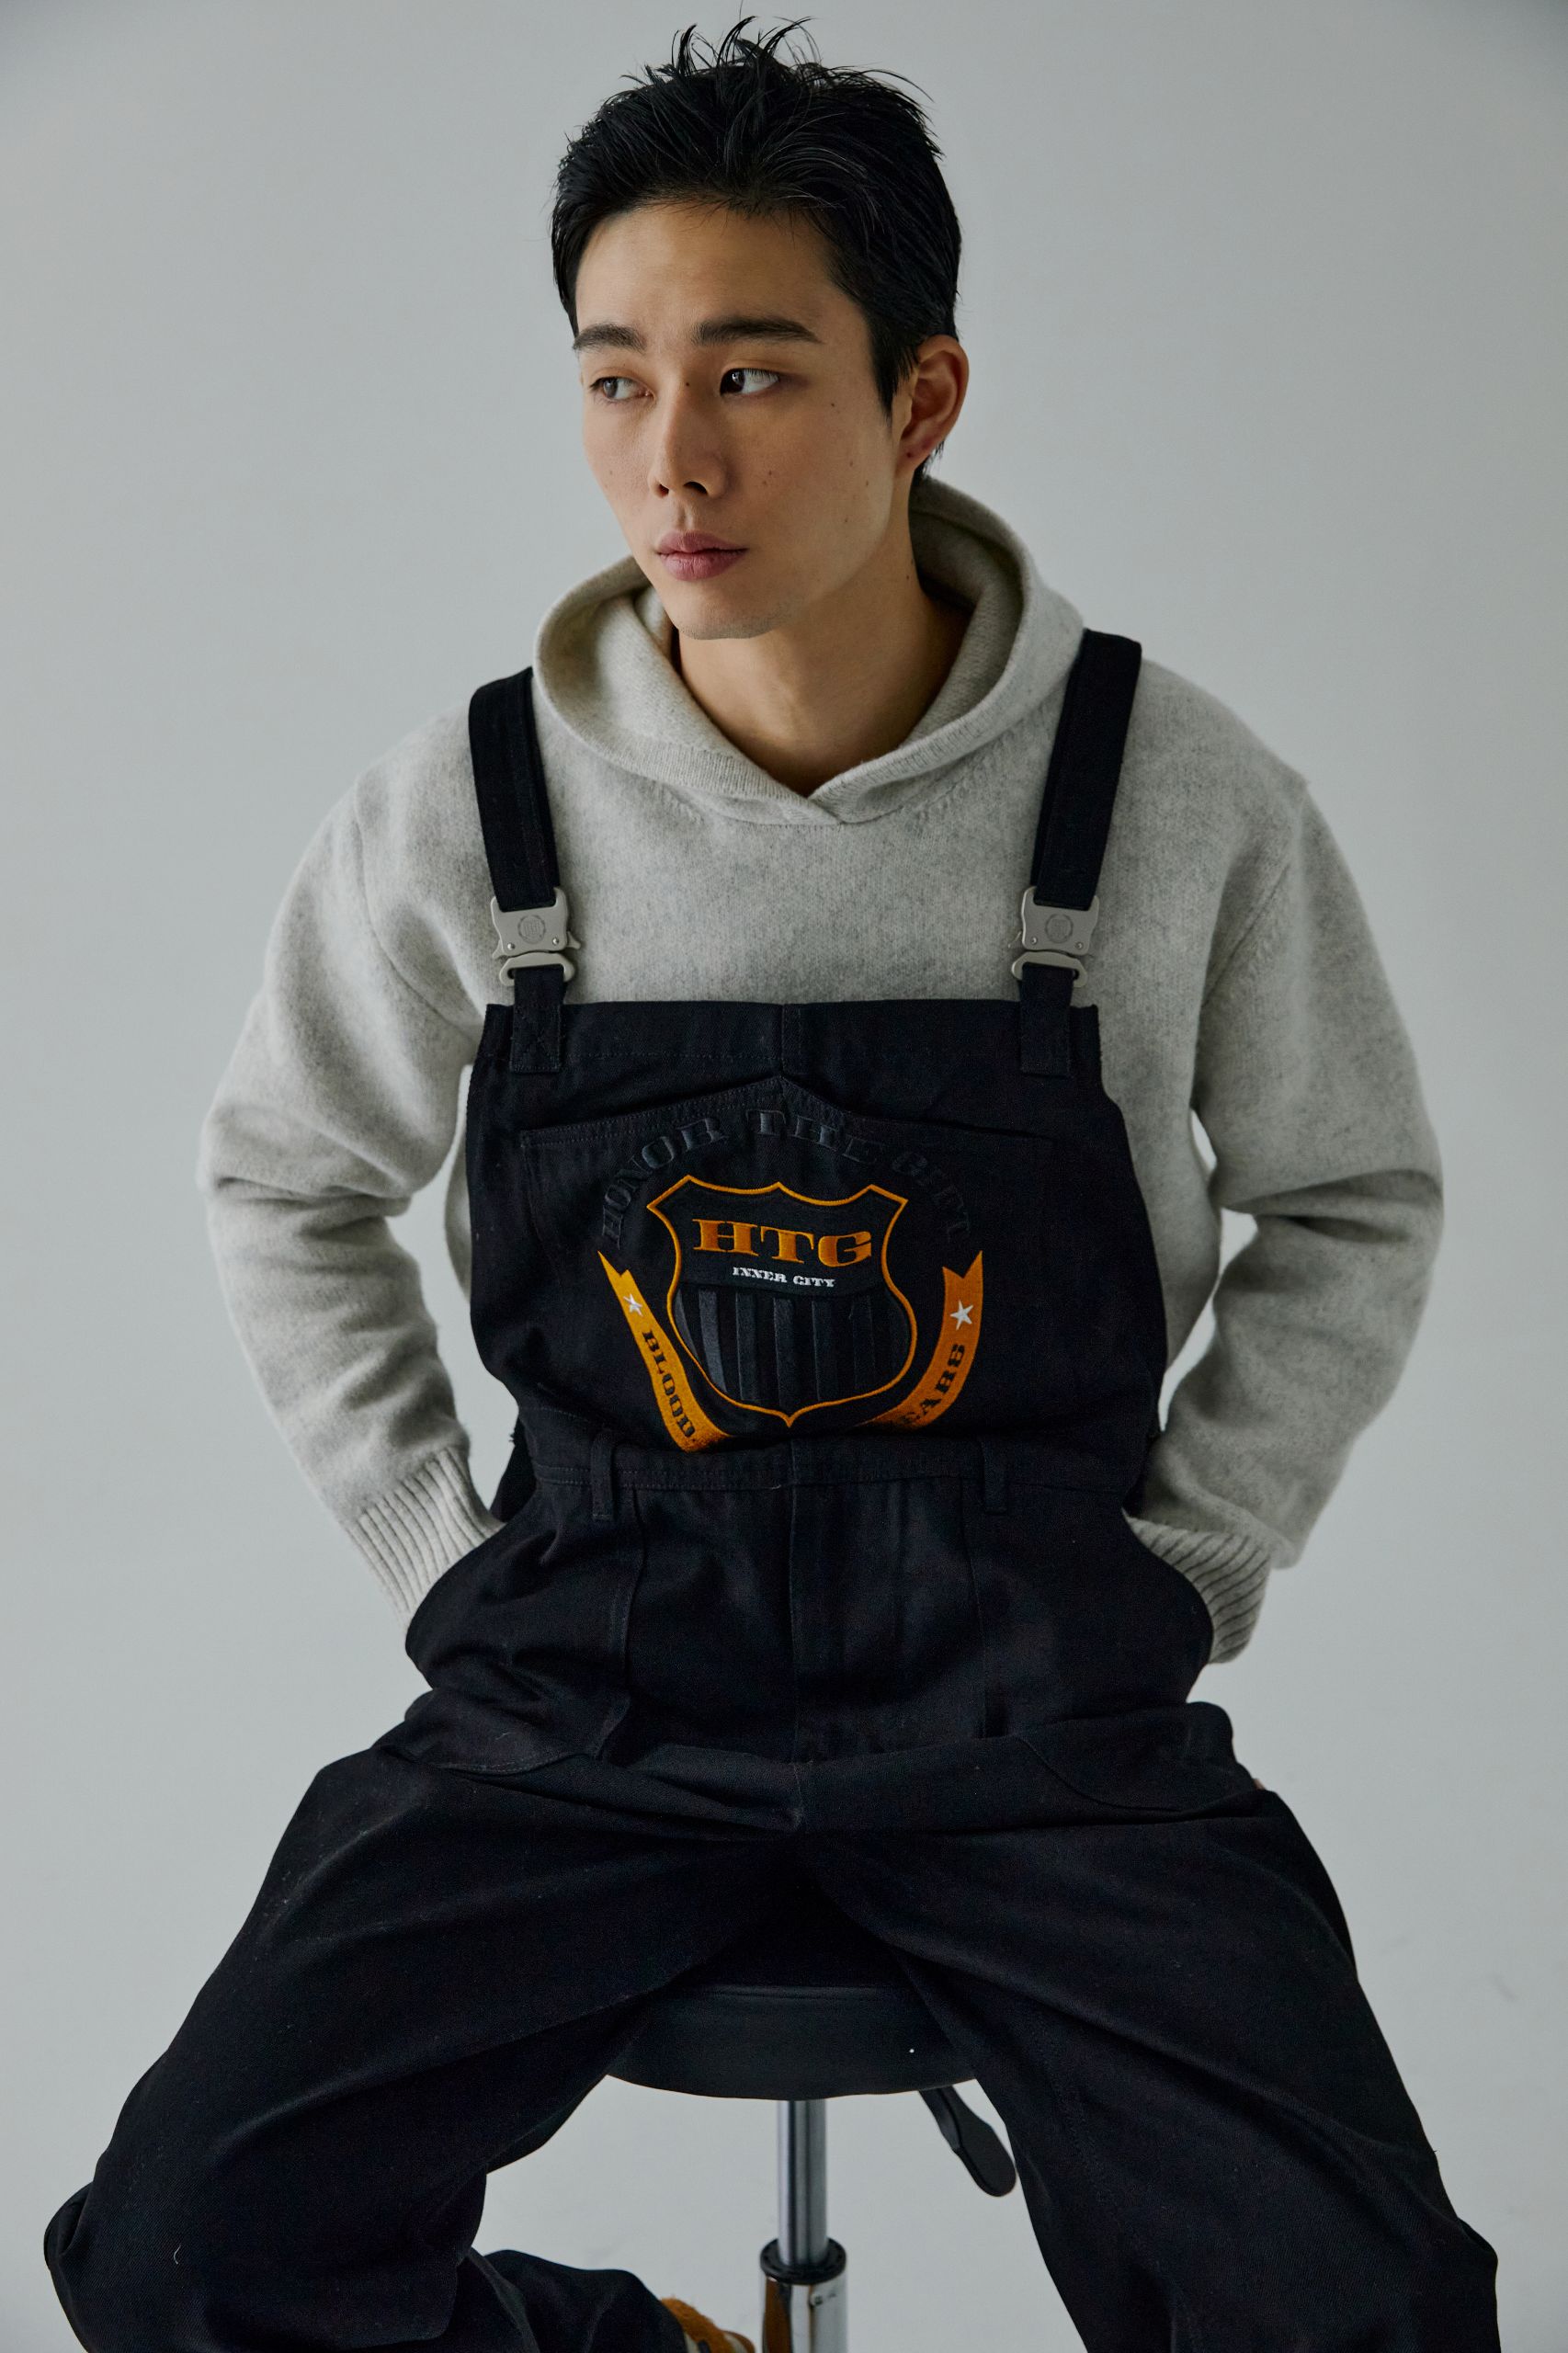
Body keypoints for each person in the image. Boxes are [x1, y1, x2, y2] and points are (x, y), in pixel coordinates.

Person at [43, 21, 1502, 2353]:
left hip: (1033, 1697)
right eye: (613, 379)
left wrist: (1198, 1552)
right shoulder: (472, 812)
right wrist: (438, 1546)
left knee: (1361, 2304)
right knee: (184, 2259)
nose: (671, 457)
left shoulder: (1168, 795)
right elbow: (284, 1176)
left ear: (923, 398)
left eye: (749, 374)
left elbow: (1348, 1193)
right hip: (589, 1680)